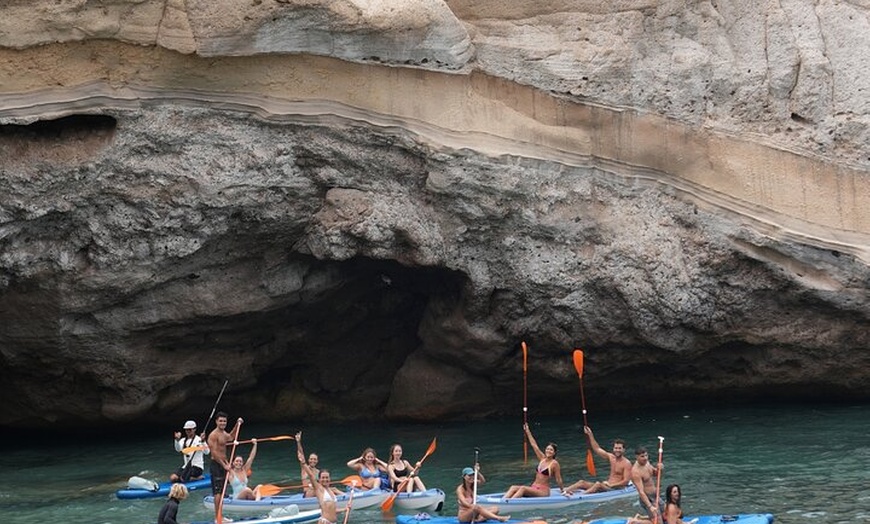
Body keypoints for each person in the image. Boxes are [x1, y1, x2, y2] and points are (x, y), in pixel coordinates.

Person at [563, 426, 631, 495]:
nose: (617, 450)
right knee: (582, 482)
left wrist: (611, 485)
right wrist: (590, 435)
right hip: (607, 486)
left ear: (624, 450)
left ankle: (579, 496)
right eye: (616, 448)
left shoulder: (626, 463)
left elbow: (626, 481)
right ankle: (563, 491)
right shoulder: (611, 457)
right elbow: (597, 449)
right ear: (613, 449)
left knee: (598, 484)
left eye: (619, 448)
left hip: (615, 489)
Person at [503, 423, 563, 498]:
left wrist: (563, 491)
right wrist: (527, 431)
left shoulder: (554, 464)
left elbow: (558, 479)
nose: (548, 451)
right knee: (513, 487)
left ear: (554, 453)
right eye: (547, 449)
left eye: (551, 450)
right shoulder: (542, 458)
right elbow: (534, 445)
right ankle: (503, 501)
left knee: (523, 488)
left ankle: (509, 503)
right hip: (534, 488)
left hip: (543, 491)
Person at [298, 432, 343, 524]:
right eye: (323, 478)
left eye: (327, 478)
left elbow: (332, 509)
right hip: (324, 521)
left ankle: (345, 495)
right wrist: (302, 461)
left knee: (333, 489)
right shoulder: (318, 488)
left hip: (333, 522)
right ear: (319, 479)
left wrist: (346, 509)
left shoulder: (329, 489)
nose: (325, 479)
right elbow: (310, 475)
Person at [207, 412, 243, 516]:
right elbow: (214, 452)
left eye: (224, 421)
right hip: (217, 465)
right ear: (216, 422)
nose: (223, 423)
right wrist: (224, 465)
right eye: (221, 421)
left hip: (224, 464)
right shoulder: (213, 435)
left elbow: (231, 437)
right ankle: (218, 517)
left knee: (222, 491)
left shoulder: (223, 434)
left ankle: (220, 516)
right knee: (218, 492)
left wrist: (237, 424)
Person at [631, 446, 662, 519]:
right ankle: (635, 522)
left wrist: (659, 468)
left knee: (665, 515)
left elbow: (656, 474)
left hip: (655, 495)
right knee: (658, 522)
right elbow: (641, 492)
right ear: (637, 457)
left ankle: (641, 517)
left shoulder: (647, 463)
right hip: (648, 499)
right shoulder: (635, 472)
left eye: (646, 455)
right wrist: (650, 506)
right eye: (642, 456)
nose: (645, 458)